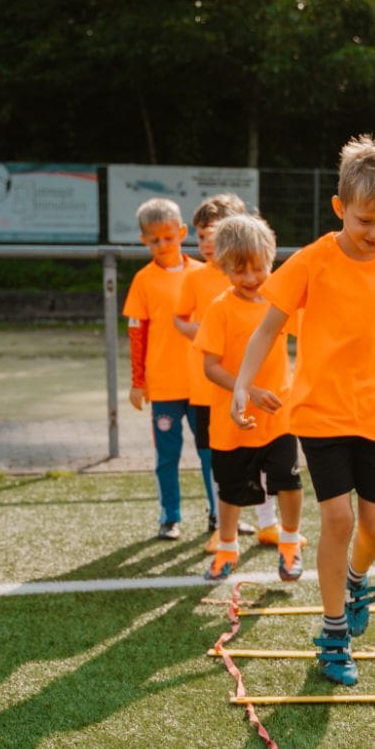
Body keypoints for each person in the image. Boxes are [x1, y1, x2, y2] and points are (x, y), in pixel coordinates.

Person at [230, 135, 375, 685]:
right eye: (365, 221)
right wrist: (241, 385)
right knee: (339, 518)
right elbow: (268, 328)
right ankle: (333, 637)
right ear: (339, 208)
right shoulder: (312, 261)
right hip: (320, 414)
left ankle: (355, 579)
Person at [194, 213, 304, 583]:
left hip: (279, 417)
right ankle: (227, 547)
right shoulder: (220, 308)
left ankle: (290, 544)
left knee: (288, 481)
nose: (251, 278)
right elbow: (210, 367)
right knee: (230, 491)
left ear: (271, 259)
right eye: (240, 271)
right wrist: (249, 391)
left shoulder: (280, 303)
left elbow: (312, 336)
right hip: (233, 420)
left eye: (259, 268)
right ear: (223, 267)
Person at [175, 192, 283, 553]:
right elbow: (182, 322)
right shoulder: (197, 278)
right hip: (213, 390)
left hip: (261, 391)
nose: (209, 242)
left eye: (216, 233)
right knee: (221, 460)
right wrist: (202, 333)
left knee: (265, 456)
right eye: (203, 235)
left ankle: (267, 523)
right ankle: (221, 526)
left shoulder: (260, 280)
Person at [122, 197, 213, 540]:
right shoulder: (143, 280)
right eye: (154, 239)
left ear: (182, 233)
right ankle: (170, 516)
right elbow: (136, 334)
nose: (162, 244)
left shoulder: (204, 273)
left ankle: (220, 515)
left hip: (203, 384)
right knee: (167, 456)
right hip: (164, 387)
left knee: (211, 454)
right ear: (144, 240)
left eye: (168, 237)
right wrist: (138, 381)